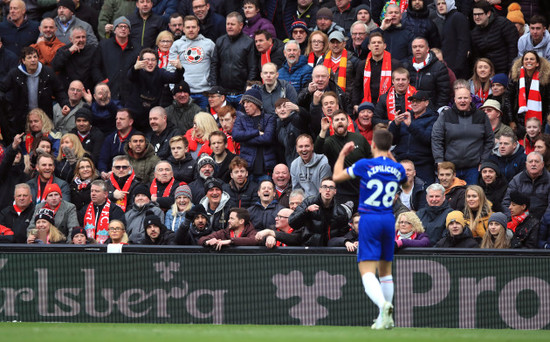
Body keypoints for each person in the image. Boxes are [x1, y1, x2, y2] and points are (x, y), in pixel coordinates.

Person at [332, 129, 406, 330]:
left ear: (372, 144)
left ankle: (383, 306)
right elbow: (404, 180)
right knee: (385, 270)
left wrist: (342, 155)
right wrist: (390, 156)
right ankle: (385, 319)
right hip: (389, 219)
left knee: (366, 271)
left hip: (369, 218)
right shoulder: (398, 169)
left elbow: (337, 176)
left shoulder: (365, 164)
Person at [0, 46, 69, 141]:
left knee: (44, 142)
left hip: (44, 116)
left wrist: (65, 103)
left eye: (35, 57)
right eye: (29, 58)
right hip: (22, 118)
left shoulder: (47, 72)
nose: (33, 60)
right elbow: (2, 88)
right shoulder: (14, 74)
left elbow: (59, 91)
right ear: (23, 61)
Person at [431, 87, 494, 185]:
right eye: (459, 98)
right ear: (454, 100)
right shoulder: (445, 115)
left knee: (472, 198)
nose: (462, 101)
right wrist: (439, 161)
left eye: (465, 98)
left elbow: (489, 140)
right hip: (450, 168)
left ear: (470, 99)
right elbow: (436, 139)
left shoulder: (481, 116)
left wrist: (483, 161)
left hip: (473, 169)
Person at [388, 90, 438, 184]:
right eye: (412, 101)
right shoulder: (405, 117)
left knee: (424, 194)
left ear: (426, 102)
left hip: (423, 165)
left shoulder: (433, 118)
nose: (414, 104)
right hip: (402, 164)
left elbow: (427, 139)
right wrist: (395, 124)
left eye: (418, 101)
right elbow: (392, 141)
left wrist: (411, 126)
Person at [168, 15, 215, 110]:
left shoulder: (209, 44)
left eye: (193, 27)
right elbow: (171, 68)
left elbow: (216, 66)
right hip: (184, 93)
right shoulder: (177, 45)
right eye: (188, 27)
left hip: (205, 92)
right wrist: (174, 89)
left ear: (198, 28)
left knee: (204, 123)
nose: (191, 30)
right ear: (183, 29)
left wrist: (213, 87)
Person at [91, 16, 140, 104]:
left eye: (126, 27)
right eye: (120, 26)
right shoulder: (104, 45)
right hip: (108, 92)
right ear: (114, 30)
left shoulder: (137, 48)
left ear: (129, 31)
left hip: (129, 94)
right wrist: (102, 82)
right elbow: (95, 67)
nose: (123, 29)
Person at [232, 88, 277, 179]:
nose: (245, 105)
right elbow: (236, 135)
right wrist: (256, 132)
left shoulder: (269, 118)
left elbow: (268, 138)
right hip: (247, 169)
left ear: (256, 103)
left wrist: (245, 138)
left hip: (266, 168)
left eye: (248, 102)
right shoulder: (241, 119)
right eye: (244, 103)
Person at [210, 12, 257, 97]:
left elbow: (252, 68)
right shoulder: (220, 41)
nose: (229, 27)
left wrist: (247, 88)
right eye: (227, 24)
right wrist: (214, 86)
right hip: (223, 93)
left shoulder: (249, 42)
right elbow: (214, 65)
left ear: (241, 25)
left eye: (232, 24)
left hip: (241, 93)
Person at [352, 32, 402, 107]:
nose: (376, 45)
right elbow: (357, 86)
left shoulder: (395, 64)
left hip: (389, 104)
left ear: (384, 46)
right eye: (373, 43)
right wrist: (355, 104)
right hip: (367, 104)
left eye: (379, 42)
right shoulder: (362, 65)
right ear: (369, 47)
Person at [470, 0, 518, 75]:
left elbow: (512, 47)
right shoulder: (474, 33)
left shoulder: (503, 24)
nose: (476, 17)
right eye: (474, 14)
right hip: (488, 73)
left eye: (480, 14)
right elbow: (477, 57)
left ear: (488, 13)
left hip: (506, 70)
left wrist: (511, 69)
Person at [508, 51, 550, 133]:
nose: (529, 61)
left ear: (537, 63)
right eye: (526, 59)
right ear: (523, 63)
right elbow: (508, 99)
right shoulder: (515, 78)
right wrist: (511, 120)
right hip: (519, 121)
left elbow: (548, 101)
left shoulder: (545, 79)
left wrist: (545, 121)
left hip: (541, 119)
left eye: (532, 59)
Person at [503, 152, 550, 221]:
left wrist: (543, 224)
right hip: (520, 222)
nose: (533, 164)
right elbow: (506, 203)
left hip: (543, 222)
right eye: (530, 162)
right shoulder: (517, 180)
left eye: (536, 161)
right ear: (526, 164)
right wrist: (512, 220)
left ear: (542, 164)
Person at [405, 37, 450, 108]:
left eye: (421, 46)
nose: (417, 49)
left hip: (431, 112)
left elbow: (444, 93)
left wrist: (436, 111)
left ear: (427, 49)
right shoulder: (406, 66)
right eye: (414, 47)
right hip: (410, 109)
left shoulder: (439, 67)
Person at [433, 0, 470, 79]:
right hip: (451, 67)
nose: (440, 6)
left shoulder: (457, 16)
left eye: (443, 3)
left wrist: (457, 67)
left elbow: (463, 43)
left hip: (458, 69)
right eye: (438, 4)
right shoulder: (447, 19)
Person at [51, 26, 96, 91]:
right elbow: (55, 66)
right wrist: (69, 52)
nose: (81, 40)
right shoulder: (63, 50)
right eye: (78, 37)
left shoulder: (93, 50)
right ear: (70, 39)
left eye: (83, 37)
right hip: (68, 91)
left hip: (87, 91)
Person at [290, 134, 332, 199]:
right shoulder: (294, 164)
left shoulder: (324, 163)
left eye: (307, 146)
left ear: (312, 147)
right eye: (300, 146)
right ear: (296, 148)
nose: (304, 149)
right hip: (303, 204)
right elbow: (296, 191)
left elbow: (325, 191)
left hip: (321, 202)